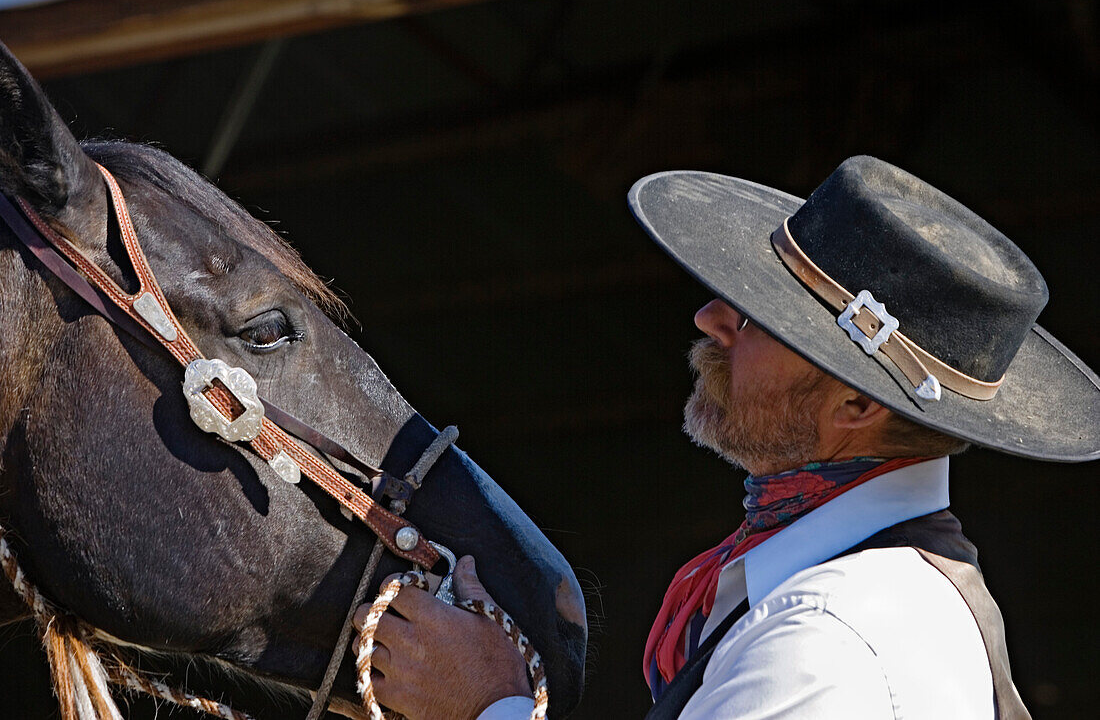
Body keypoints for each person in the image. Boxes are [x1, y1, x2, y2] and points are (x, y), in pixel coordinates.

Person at [351, 156, 1100, 719]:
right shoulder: (851, 597)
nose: (713, 317)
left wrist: (488, 705)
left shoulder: (833, 644)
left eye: (762, 317)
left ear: (854, 407)